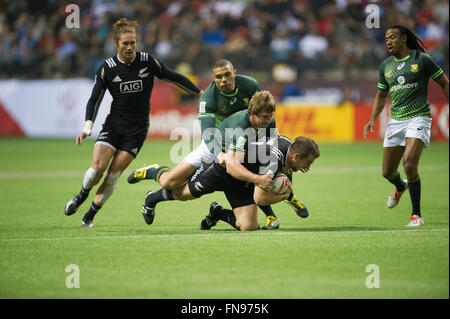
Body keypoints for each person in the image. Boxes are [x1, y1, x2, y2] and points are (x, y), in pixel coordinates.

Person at [127, 59, 308, 229]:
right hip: (215, 144)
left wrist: (281, 167)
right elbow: (208, 133)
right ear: (213, 78)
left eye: (227, 75)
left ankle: (250, 213)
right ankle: (152, 172)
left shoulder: (250, 86)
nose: (223, 80)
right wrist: (219, 153)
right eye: (218, 77)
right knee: (169, 182)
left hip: (241, 144)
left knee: (254, 177)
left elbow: (262, 111)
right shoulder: (208, 97)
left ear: (234, 73)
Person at [64, 18, 203, 227]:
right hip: (114, 125)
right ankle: (82, 195)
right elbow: (95, 98)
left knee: (112, 176)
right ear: (116, 44)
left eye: (133, 43)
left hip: (137, 130)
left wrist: (199, 92)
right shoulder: (107, 68)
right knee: (97, 168)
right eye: (125, 44)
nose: (129, 47)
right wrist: (87, 127)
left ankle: (90, 214)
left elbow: (172, 76)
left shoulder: (147, 61)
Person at [363, 24, 449, 227]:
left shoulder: (422, 60)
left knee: (410, 164)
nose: (388, 41)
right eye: (386, 39)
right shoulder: (386, 65)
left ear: (403, 38)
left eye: (392, 37)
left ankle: (416, 215)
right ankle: (400, 186)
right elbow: (381, 95)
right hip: (396, 121)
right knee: (387, 172)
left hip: (418, 117)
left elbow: (444, 82)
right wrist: (372, 119)